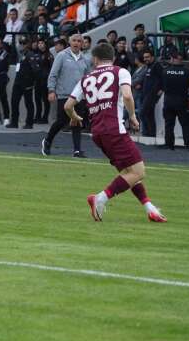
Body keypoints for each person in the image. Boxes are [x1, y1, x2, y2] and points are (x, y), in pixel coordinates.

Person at [65, 43, 167, 223]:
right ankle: (100, 198)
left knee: (128, 173)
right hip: (114, 129)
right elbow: (127, 96)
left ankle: (150, 208)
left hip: (98, 133)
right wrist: (133, 117)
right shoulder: (120, 71)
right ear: (112, 58)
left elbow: (67, 106)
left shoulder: (86, 78)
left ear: (95, 59)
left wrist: (75, 117)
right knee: (138, 172)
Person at [42, 34, 91, 157]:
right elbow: (53, 74)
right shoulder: (62, 56)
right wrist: (51, 90)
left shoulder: (85, 59)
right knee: (62, 121)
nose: (76, 43)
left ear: (82, 44)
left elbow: (88, 78)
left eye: (79, 41)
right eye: (74, 40)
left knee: (77, 121)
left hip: (79, 96)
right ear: (69, 42)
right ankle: (47, 140)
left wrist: (89, 94)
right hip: (64, 94)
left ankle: (77, 150)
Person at [160, 50, 189, 151]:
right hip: (182, 101)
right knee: (186, 124)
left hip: (168, 101)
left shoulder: (165, 71)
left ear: (172, 59)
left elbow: (162, 86)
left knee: (169, 124)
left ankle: (169, 145)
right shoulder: (187, 72)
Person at [8, 37, 43, 129]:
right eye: (21, 43)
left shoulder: (30, 55)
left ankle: (29, 123)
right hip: (18, 82)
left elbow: (36, 70)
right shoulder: (20, 55)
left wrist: (32, 82)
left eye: (24, 43)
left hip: (27, 83)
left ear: (28, 44)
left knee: (28, 103)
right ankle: (14, 122)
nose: (22, 45)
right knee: (14, 102)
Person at [138, 50, 163, 138]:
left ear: (152, 57)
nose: (146, 59)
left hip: (152, 94)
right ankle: (151, 134)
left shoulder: (157, 66)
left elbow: (163, 78)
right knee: (149, 115)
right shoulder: (148, 66)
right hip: (145, 94)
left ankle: (148, 132)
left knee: (142, 113)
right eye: (144, 57)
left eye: (147, 57)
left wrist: (161, 89)